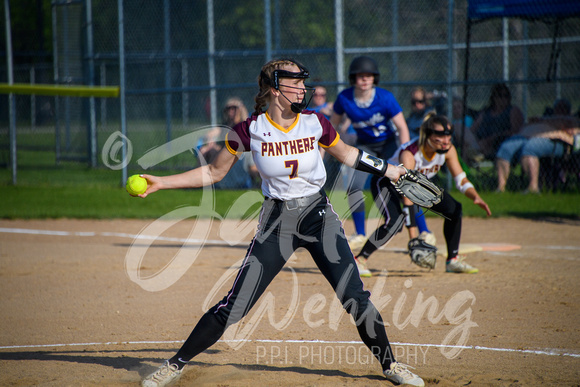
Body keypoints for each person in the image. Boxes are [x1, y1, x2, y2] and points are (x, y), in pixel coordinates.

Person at [136, 58, 424, 387]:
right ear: (275, 89)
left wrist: (391, 170)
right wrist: (163, 181)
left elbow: (347, 154)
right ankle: (174, 365)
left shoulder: (315, 122)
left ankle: (391, 366)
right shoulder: (249, 131)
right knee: (236, 305)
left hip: (319, 218)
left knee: (355, 298)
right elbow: (212, 172)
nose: (304, 88)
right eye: (296, 83)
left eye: (304, 82)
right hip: (277, 223)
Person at [353, 113, 492, 277]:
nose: (446, 140)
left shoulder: (447, 150)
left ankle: (452, 260)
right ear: (426, 135)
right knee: (395, 222)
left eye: (448, 135)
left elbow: (461, 179)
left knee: (454, 209)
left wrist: (475, 196)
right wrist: (413, 237)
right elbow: (407, 196)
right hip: (385, 183)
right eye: (439, 135)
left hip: (415, 186)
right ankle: (359, 259)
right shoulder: (410, 154)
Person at [330, 56, 411, 251]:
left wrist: (406, 152)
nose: (364, 80)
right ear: (353, 79)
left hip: (389, 146)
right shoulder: (345, 98)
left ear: (375, 78)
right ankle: (359, 233)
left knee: (405, 186)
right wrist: (329, 149)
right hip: (365, 146)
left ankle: (421, 232)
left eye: (368, 76)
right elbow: (332, 126)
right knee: (354, 186)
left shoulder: (385, 97)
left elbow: (402, 127)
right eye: (360, 76)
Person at [496, 98, 580, 193]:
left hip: (554, 141)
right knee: (505, 148)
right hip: (527, 135)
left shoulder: (571, 119)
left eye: (563, 107)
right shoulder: (545, 117)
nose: (560, 109)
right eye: (558, 107)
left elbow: (573, 133)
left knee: (530, 148)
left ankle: (533, 187)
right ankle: (501, 188)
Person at [469, 83, 524, 161]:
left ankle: (477, 152)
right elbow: (473, 129)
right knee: (459, 128)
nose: (502, 99)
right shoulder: (486, 112)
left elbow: (516, 131)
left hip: (499, 143)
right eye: (499, 95)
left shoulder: (512, 111)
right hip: (479, 140)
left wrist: (493, 137)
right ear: (493, 97)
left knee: (482, 145)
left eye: (505, 96)